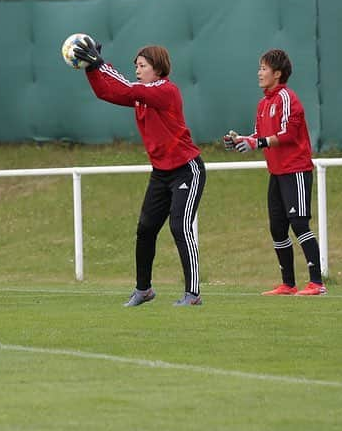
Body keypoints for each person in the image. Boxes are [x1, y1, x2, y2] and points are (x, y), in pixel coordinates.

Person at [73, 37, 205, 306]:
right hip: (161, 172)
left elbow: (128, 88)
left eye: (142, 65)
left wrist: (101, 63)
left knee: (180, 227)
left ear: (157, 68)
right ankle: (143, 290)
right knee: (145, 229)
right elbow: (108, 92)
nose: (137, 69)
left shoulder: (166, 90)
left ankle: (193, 294)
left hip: (186, 170)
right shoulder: (141, 97)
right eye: (136, 65)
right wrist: (91, 69)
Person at [223, 49, 326, 296]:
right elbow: (260, 136)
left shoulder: (287, 98)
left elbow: (287, 134)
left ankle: (317, 283)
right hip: (277, 173)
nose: (259, 73)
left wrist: (256, 143)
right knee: (277, 228)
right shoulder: (263, 103)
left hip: (296, 170)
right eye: (259, 68)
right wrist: (241, 141)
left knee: (299, 223)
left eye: (263, 68)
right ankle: (288, 284)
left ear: (277, 74)